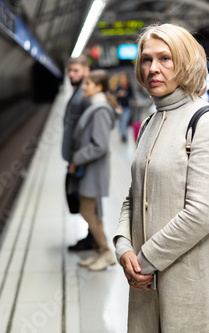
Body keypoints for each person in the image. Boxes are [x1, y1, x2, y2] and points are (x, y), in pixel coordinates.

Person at [113, 23, 209, 332]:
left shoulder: (205, 123)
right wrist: (123, 246)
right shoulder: (151, 120)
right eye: (146, 59)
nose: (153, 68)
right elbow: (134, 194)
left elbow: (200, 214)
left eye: (165, 58)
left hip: (187, 283)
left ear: (186, 63)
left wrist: (145, 259)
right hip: (146, 282)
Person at [68, 69, 118, 271]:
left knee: (87, 210)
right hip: (90, 169)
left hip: (93, 170)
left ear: (99, 87)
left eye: (87, 83)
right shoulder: (97, 107)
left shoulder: (100, 110)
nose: (83, 87)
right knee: (93, 212)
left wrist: (76, 158)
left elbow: (100, 145)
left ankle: (106, 252)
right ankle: (99, 252)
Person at [61, 55, 95, 251]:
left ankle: (96, 242)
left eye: (76, 71)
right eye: (70, 71)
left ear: (86, 71)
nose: (72, 74)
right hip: (76, 159)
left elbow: (87, 132)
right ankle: (91, 237)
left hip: (82, 161)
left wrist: (78, 159)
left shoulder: (85, 96)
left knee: (87, 201)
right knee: (82, 200)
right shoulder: (78, 93)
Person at [115, 72, 134, 142]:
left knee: (125, 121)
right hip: (119, 107)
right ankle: (122, 135)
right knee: (120, 122)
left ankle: (124, 135)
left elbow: (132, 95)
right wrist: (119, 94)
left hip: (126, 107)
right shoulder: (118, 86)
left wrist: (126, 95)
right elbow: (115, 96)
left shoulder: (128, 86)